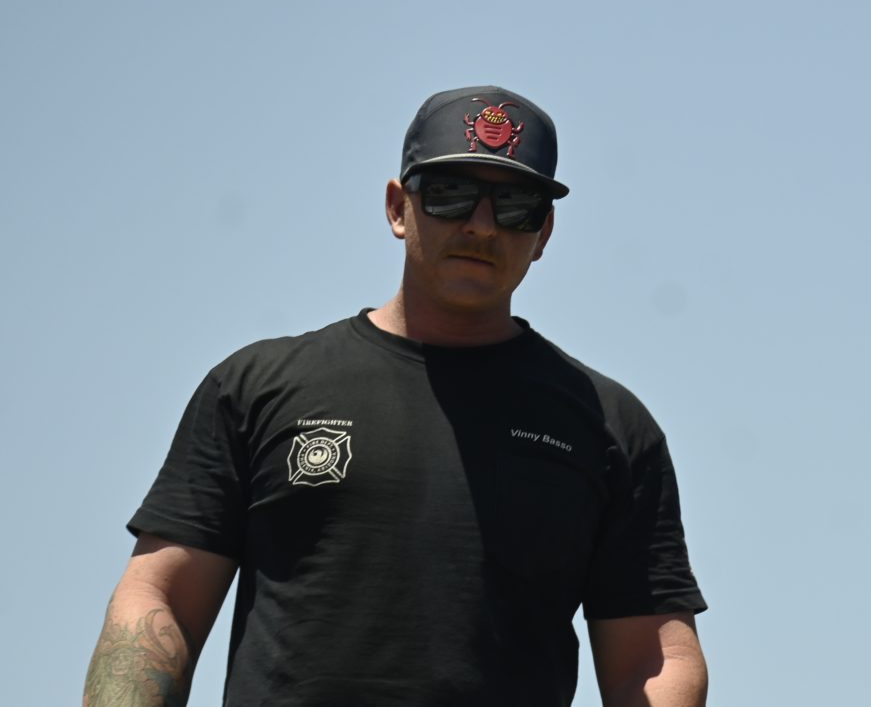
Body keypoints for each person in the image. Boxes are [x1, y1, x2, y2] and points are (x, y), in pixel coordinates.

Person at [83, 86, 709, 706]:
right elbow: (162, 597)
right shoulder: (255, 388)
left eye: (515, 205)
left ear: (543, 232)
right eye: (450, 194)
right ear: (398, 208)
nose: (481, 225)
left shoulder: (607, 426)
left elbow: (653, 659)